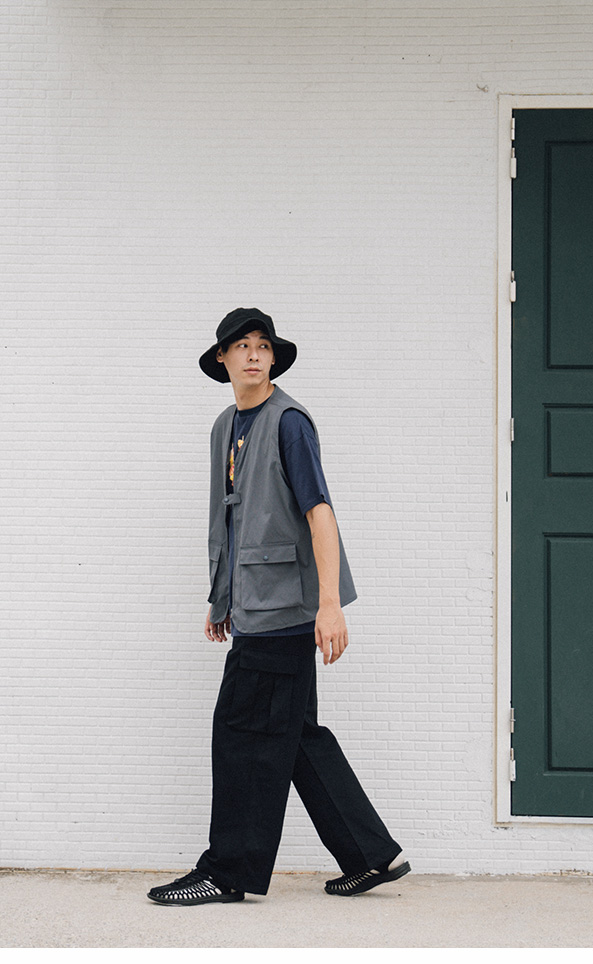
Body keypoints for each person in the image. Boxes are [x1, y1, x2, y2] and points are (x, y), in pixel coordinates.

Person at [147, 308, 409, 906]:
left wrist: (329, 606)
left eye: (262, 345)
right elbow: (233, 519)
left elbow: (320, 512)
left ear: (273, 357)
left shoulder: (289, 422)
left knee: (240, 734)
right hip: (254, 607)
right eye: (241, 346)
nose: (254, 355)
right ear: (222, 358)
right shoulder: (226, 425)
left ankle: (226, 872)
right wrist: (222, 598)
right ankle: (372, 855)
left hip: (285, 611)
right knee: (296, 737)